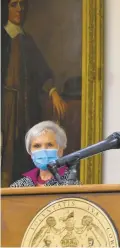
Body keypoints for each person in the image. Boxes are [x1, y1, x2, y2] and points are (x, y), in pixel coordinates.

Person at [1, 0, 67, 187]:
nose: (19, 9)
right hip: (5, 106)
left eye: (22, 4)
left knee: (22, 148)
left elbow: (42, 72)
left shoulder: (26, 39)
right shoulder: (2, 37)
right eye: (14, 4)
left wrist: (53, 92)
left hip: (25, 106)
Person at [10, 121, 80, 187]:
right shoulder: (18, 186)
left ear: (60, 150)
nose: (43, 150)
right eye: (37, 146)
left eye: (49, 145)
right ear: (31, 153)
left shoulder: (71, 184)